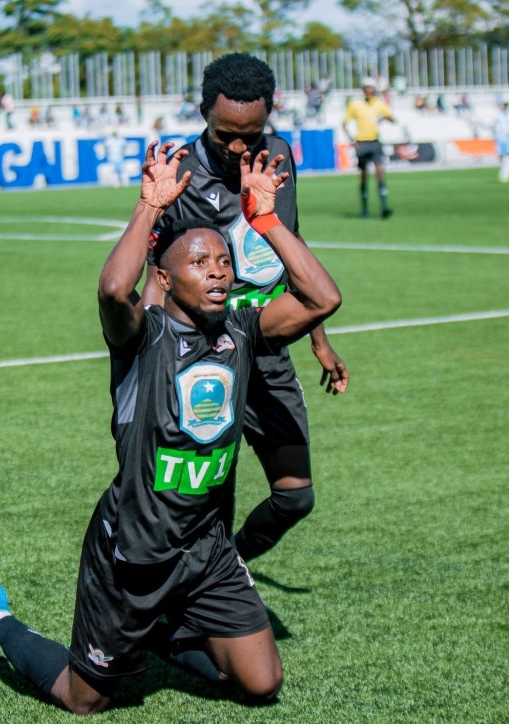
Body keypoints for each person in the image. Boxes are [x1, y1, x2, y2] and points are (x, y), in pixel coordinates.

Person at [0, 142, 342, 714]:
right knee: (85, 699)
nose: (218, 272)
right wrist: (149, 207)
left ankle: (162, 628)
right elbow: (111, 290)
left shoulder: (245, 331)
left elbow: (323, 297)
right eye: (199, 264)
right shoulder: (140, 338)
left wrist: (267, 219)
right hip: (134, 550)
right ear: (165, 279)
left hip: (207, 547)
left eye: (223, 262)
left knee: (261, 685)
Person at [142, 53, 349, 589]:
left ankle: (223, 568)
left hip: (270, 340)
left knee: (295, 495)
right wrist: (146, 350)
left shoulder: (277, 155)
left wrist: (319, 340)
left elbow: (291, 244)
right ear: (203, 111)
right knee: (207, 495)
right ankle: (196, 592)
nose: (239, 148)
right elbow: (156, 271)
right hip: (203, 357)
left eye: (250, 135)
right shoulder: (180, 169)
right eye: (226, 134)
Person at [342, 77, 395, 218]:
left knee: (379, 172)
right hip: (362, 142)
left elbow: (391, 117)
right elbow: (344, 123)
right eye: (366, 88)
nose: (369, 90)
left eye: (371, 88)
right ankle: (364, 209)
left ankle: (384, 207)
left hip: (375, 142)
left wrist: (384, 118)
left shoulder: (379, 103)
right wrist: (352, 140)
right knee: (364, 175)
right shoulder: (356, 104)